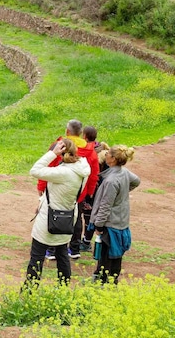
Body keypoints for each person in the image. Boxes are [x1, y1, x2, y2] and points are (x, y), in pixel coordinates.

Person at [24, 138, 91, 288]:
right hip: (67, 216)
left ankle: (29, 291)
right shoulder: (82, 168)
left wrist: (51, 154)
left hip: (49, 218)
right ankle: (63, 289)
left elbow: (34, 170)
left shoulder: (63, 172)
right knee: (62, 255)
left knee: (37, 256)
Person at [38, 119, 99, 260]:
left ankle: (52, 249)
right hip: (79, 190)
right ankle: (75, 248)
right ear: (82, 133)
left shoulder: (58, 146)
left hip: (57, 189)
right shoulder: (90, 150)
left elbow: (47, 166)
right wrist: (89, 191)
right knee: (76, 217)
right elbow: (94, 173)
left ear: (67, 131)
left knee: (53, 213)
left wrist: (41, 186)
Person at [89, 145, 139, 284]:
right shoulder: (123, 172)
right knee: (116, 253)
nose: (106, 155)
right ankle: (110, 279)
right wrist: (122, 194)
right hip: (121, 220)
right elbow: (136, 181)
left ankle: (106, 282)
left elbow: (105, 205)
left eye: (108, 154)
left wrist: (98, 225)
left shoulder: (111, 181)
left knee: (107, 253)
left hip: (110, 222)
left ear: (113, 159)